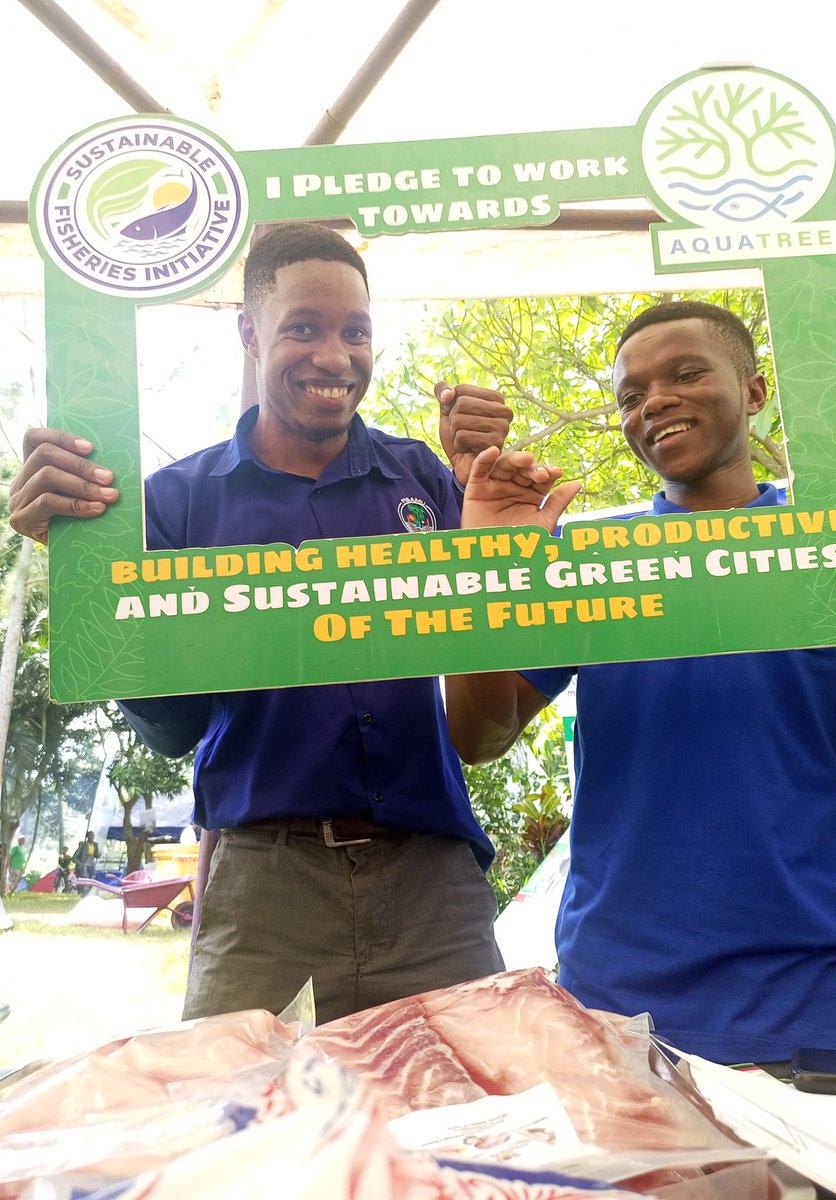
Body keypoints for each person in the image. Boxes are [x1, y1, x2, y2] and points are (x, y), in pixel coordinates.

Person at [7, 222, 526, 1025]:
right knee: (245, 1130)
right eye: (304, 328)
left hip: (435, 888)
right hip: (265, 894)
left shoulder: (426, 477)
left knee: (468, 1128)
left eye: (355, 331)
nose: (334, 356)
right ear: (250, 334)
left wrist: (491, 504)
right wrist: (90, 584)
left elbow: (488, 700)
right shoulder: (174, 504)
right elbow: (174, 725)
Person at [447, 300, 836, 1065]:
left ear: (754, 393)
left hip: (825, 999)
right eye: (630, 395)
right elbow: (478, 737)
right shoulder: (591, 561)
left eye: (687, 373)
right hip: (622, 1009)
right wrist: (485, 576)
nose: (654, 401)